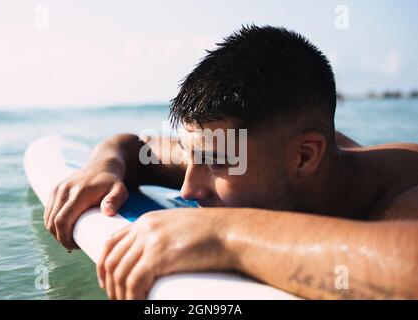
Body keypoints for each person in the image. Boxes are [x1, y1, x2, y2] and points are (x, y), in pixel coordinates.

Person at [43, 25, 418, 300]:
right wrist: (105, 164)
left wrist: (223, 236)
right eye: (193, 157)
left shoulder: (404, 194)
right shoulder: (259, 150)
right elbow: (137, 145)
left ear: (305, 156)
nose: (189, 188)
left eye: (216, 163)